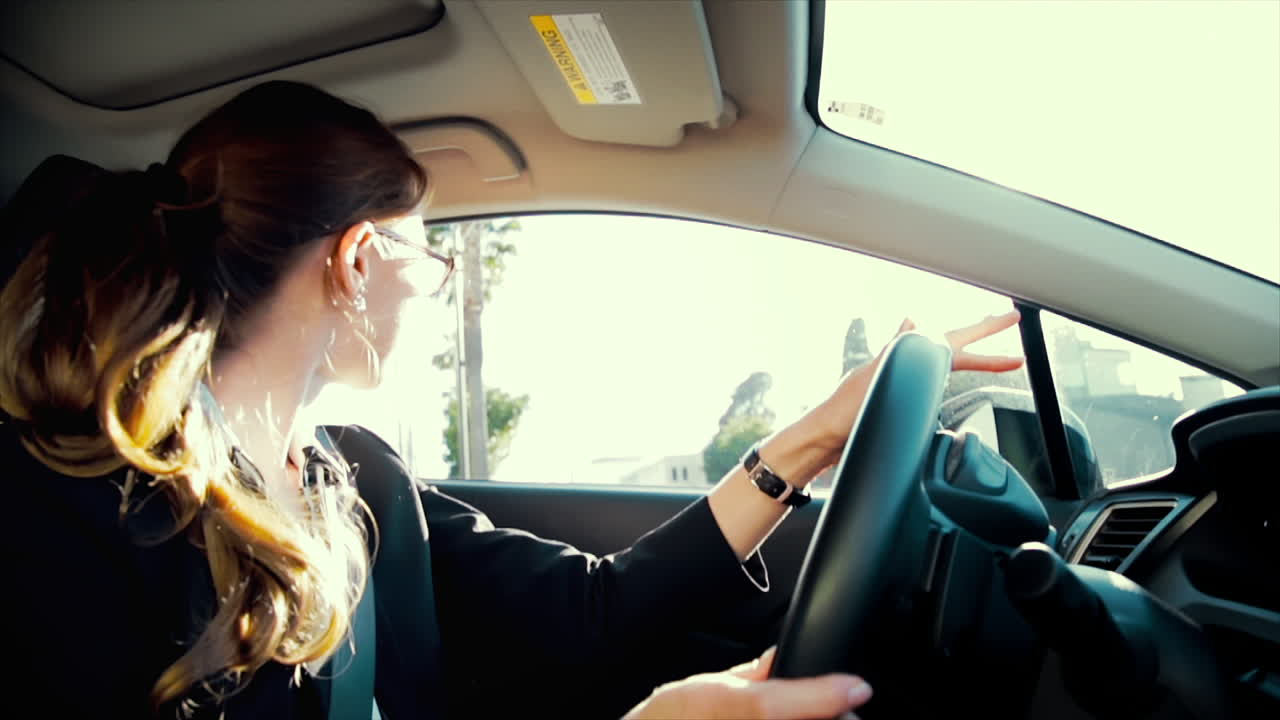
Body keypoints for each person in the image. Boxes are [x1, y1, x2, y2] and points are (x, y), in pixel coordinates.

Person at [0, 81, 1023, 719]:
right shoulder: (76, 508)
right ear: (357, 257)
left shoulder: (355, 477)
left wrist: (815, 435)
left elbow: (593, 611)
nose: (439, 280)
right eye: (424, 250)